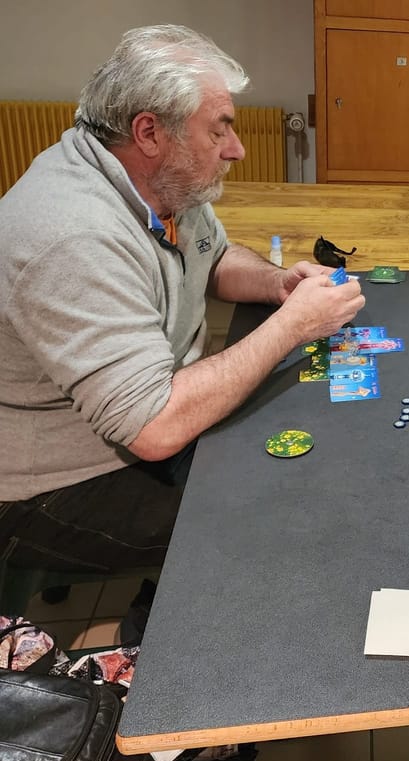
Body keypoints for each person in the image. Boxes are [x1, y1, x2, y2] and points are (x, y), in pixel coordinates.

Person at [0, 25, 364, 583]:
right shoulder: (73, 234)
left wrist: (275, 286)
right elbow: (154, 427)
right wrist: (292, 326)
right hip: (55, 483)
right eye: (219, 131)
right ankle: (166, 643)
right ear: (149, 132)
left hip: (147, 417)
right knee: (283, 511)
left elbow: (212, 257)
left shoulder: (161, 182)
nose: (237, 150)